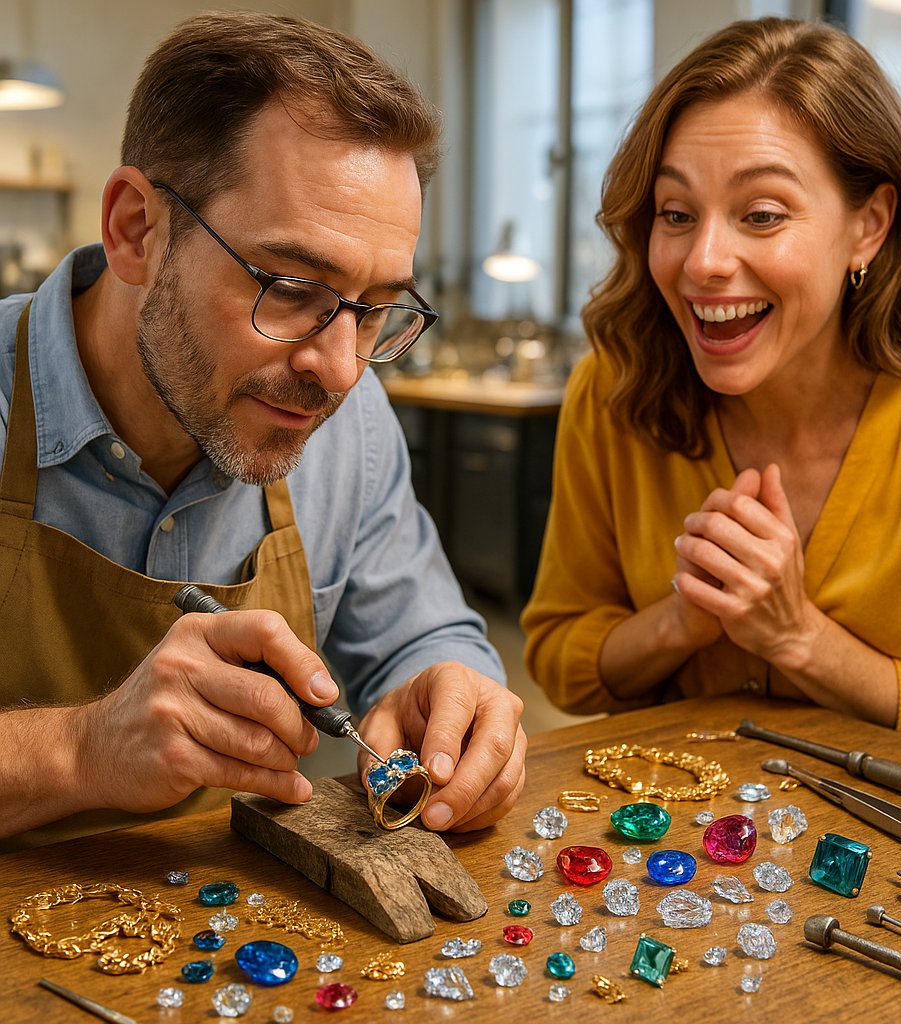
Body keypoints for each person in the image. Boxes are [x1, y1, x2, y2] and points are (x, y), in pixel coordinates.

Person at [0, 11, 525, 850]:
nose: (342, 369)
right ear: (136, 227)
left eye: (378, 308)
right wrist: (79, 750)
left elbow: (425, 636)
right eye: (289, 286)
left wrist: (453, 696)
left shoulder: (348, 427)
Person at [522, 16, 901, 764]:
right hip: (671, 840)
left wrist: (799, 637)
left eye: (761, 215)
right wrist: (684, 620)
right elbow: (560, 658)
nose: (704, 261)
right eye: (676, 215)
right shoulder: (614, 386)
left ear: (869, 226)